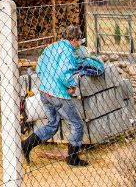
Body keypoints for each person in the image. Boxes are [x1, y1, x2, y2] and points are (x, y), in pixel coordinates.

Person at [22, 25, 96, 167]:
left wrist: (47, 82)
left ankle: (26, 144)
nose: (80, 43)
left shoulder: (52, 47)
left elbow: (39, 67)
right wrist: (71, 86)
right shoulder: (68, 52)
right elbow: (64, 74)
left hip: (44, 91)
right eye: (79, 40)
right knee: (77, 124)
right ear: (74, 39)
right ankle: (73, 158)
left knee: (52, 124)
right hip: (58, 94)